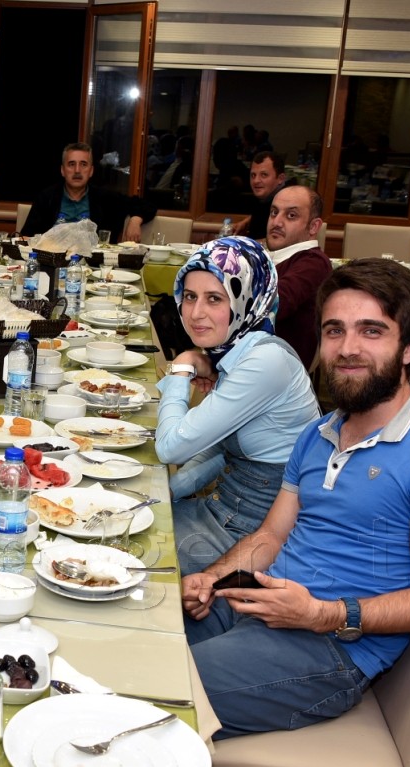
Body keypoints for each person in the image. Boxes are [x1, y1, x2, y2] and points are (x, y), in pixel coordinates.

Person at [182, 258, 410, 739]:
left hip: (332, 648)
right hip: (260, 602)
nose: (347, 349)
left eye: (371, 331)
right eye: (334, 331)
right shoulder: (318, 433)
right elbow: (271, 535)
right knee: (134, 639)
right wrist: (212, 579)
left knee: (157, 688)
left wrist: (323, 614)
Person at [157, 237, 320, 573]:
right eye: (190, 296)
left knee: (129, 551)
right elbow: (217, 450)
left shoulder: (264, 363)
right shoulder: (240, 350)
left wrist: (182, 367)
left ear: (247, 300)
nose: (196, 313)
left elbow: (170, 448)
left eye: (214, 298)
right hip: (224, 513)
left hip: (253, 537)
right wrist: (164, 495)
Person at [20, 142, 156, 242]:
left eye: (83, 164)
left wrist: (135, 220)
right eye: (71, 164)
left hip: (94, 266)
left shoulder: (106, 198)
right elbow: (26, 236)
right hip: (52, 263)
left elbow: (148, 205)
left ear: (91, 171)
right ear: (62, 170)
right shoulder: (46, 198)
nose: (77, 170)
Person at [265, 185, 332, 367]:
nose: (277, 222)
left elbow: (274, 304)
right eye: (274, 212)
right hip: (252, 359)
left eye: (291, 215)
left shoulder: (313, 263)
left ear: (313, 226)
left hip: (277, 370)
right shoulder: (275, 257)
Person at [234, 151, 290, 239]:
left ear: (280, 178)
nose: (256, 181)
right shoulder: (265, 196)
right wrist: (247, 221)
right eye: (253, 175)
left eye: (264, 175)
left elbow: (279, 241)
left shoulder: (287, 204)